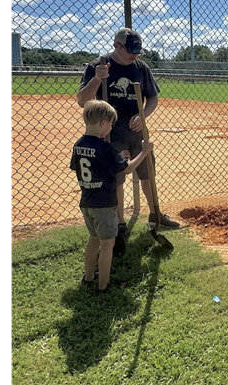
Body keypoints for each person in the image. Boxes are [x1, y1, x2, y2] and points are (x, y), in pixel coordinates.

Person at [76, 28, 180, 235]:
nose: (134, 56)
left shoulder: (141, 67)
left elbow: (152, 99)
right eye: (130, 51)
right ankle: (120, 224)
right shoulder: (99, 65)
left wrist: (143, 117)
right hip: (109, 135)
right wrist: (97, 79)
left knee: (148, 173)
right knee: (117, 179)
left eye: (137, 52)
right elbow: (82, 100)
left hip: (137, 133)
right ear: (116, 46)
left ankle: (155, 214)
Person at [70, 99, 153, 294]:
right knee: (108, 244)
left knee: (94, 239)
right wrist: (144, 152)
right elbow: (127, 169)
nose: (110, 129)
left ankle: (88, 277)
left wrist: (119, 156)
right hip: (105, 204)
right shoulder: (105, 148)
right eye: (110, 124)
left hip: (87, 201)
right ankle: (103, 286)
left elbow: (93, 164)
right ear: (103, 123)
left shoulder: (79, 144)